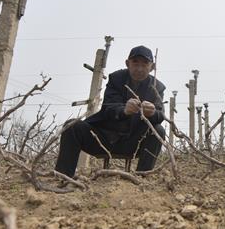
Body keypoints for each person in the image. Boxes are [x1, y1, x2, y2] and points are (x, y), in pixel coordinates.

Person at [54, 45, 166, 176]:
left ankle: (142, 178)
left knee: (158, 130)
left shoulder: (157, 87)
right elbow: (108, 108)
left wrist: (152, 113)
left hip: (133, 143)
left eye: (145, 64)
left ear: (152, 67)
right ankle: (63, 176)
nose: (139, 69)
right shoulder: (116, 79)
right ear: (127, 64)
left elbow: (160, 115)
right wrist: (124, 110)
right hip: (103, 139)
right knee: (72, 126)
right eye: (135, 63)